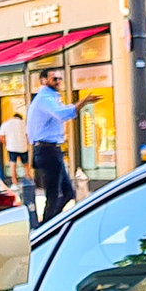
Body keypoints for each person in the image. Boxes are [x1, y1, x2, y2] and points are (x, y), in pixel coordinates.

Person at [26, 66, 90, 222]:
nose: (58, 82)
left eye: (60, 78)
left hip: (50, 150)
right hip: (46, 150)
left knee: (67, 193)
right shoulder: (45, 99)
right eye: (54, 78)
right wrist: (82, 102)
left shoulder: (51, 98)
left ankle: (52, 222)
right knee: (54, 193)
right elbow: (61, 114)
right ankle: (47, 225)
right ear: (43, 80)